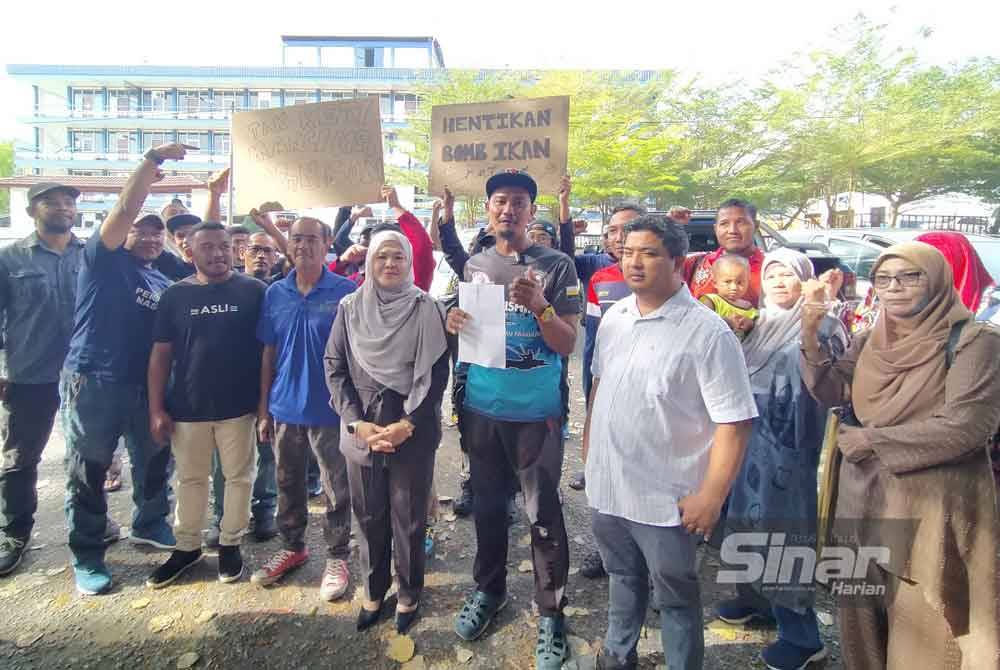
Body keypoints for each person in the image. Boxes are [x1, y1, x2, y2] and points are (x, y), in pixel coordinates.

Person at [802, 241, 1000, 669]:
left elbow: (968, 426)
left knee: (925, 643)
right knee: (862, 635)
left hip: (930, 513)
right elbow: (834, 391)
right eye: (884, 279)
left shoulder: (975, 341)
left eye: (911, 276)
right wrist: (810, 335)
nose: (894, 287)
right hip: (864, 502)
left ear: (939, 281)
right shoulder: (870, 339)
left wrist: (873, 441)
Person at [583, 214, 756, 670]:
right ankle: (618, 654)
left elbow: (735, 422)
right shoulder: (616, 317)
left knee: (675, 597)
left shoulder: (708, 333)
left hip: (665, 499)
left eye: (649, 253)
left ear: (677, 261)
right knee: (622, 577)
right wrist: (589, 450)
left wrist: (711, 497)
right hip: (609, 487)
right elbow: (599, 384)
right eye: (627, 253)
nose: (634, 263)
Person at [445, 170, 580, 669]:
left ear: (531, 211)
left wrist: (542, 307)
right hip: (483, 410)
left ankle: (551, 611)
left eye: (518, 202)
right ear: (488, 210)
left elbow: (567, 343)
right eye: (500, 201)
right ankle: (490, 590)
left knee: (542, 515)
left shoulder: (557, 265)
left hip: (536, 415)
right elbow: (464, 333)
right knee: (487, 509)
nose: (508, 209)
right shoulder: (475, 265)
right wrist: (453, 321)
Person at [61, 143, 191, 595]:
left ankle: (150, 523)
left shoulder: (162, 274)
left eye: (157, 233)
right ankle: (88, 552)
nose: (151, 238)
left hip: (146, 386)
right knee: (89, 469)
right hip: (95, 380)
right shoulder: (103, 260)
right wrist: (151, 162)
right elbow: (123, 208)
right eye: (142, 230)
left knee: (155, 458)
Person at [714, 248, 847, 670]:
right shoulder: (756, 321)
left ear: (804, 280)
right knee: (745, 520)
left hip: (789, 444)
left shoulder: (826, 325)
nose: (777, 281)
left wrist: (813, 326)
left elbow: (830, 386)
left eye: (788, 274)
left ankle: (802, 636)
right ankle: (757, 602)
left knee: (784, 532)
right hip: (749, 437)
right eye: (771, 273)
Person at [325, 230, 450, 634]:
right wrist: (356, 422)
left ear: (410, 262)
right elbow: (335, 366)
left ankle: (409, 592)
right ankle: (374, 589)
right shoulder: (350, 308)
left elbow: (437, 372)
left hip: (411, 427)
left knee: (409, 517)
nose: (390, 264)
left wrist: (408, 423)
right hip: (361, 427)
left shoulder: (426, 308)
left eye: (398, 257)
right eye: (382, 257)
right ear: (369, 263)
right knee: (368, 515)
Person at [145, 222, 265, 588]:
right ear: (190, 252)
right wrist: (156, 409)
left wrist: (264, 406)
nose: (218, 253)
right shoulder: (174, 296)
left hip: (239, 407)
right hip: (188, 407)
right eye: (208, 247)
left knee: (239, 478)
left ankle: (230, 543)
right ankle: (187, 547)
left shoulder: (254, 291)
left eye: (224, 246)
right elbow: (160, 356)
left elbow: (268, 352)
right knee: (191, 479)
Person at [252, 217, 356, 602]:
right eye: (297, 238)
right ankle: (293, 546)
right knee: (287, 482)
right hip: (284, 408)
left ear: (328, 244)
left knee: (336, 488)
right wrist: (264, 409)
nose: (304, 245)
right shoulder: (275, 293)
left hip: (331, 410)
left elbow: (356, 353)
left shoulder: (346, 291)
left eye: (313, 239)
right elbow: (268, 352)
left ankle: (338, 555)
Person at [0, 183, 86, 576]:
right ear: (32, 210)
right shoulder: (9, 258)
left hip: (83, 374)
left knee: (87, 456)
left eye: (69, 202)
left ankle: (90, 525)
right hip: (29, 374)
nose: (63, 207)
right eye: (51, 201)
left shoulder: (90, 255)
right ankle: (14, 532)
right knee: (20, 458)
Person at [203, 232, 282, 548]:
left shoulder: (279, 290)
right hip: (226, 385)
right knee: (224, 458)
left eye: (268, 251)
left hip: (268, 384)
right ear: (241, 253)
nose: (261, 256)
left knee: (267, 453)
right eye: (255, 249)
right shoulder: (222, 285)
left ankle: (264, 511)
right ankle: (222, 516)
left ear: (276, 257)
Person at [684, 198, 765, 306]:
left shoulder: (771, 268)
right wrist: (670, 225)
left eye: (740, 223)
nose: (732, 230)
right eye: (724, 224)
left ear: (756, 226)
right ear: (715, 228)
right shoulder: (695, 263)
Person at [557, 176, 615, 290]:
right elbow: (565, 260)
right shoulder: (591, 263)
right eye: (608, 234)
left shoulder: (648, 267)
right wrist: (567, 234)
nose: (616, 238)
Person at [698, 254, 759, 340]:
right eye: (727, 282)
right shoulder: (711, 301)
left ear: (747, 282)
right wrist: (726, 321)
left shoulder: (750, 308)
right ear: (715, 283)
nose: (734, 287)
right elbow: (701, 323)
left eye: (740, 282)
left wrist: (750, 324)